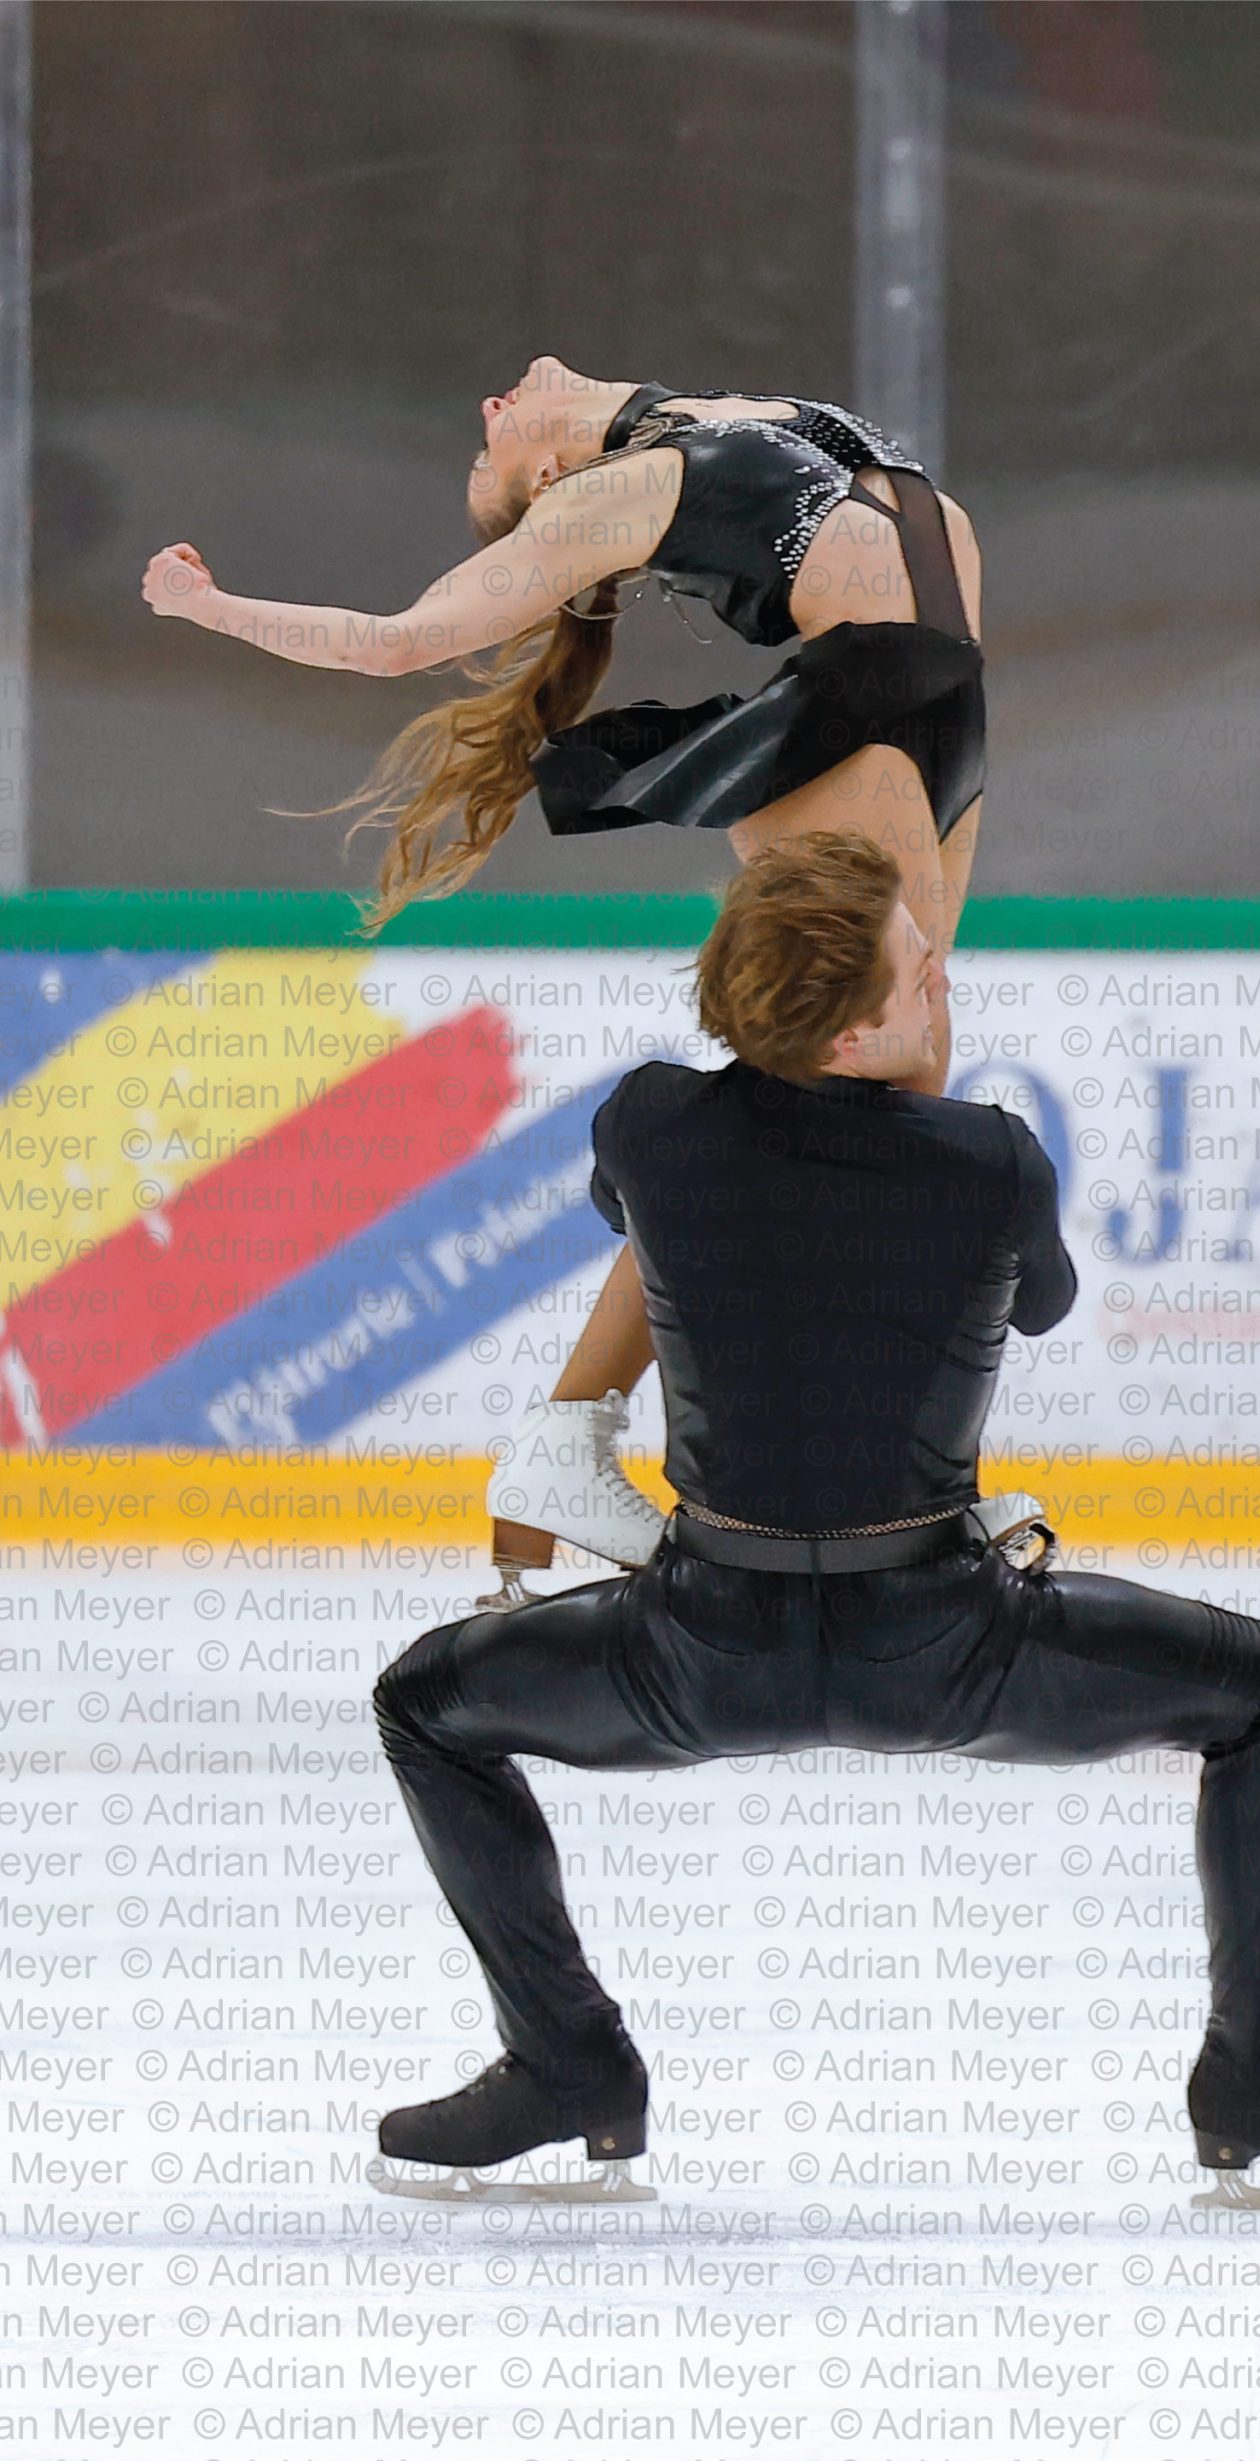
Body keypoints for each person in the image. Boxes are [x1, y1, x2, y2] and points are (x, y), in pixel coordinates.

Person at [367, 830, 1260, 2214]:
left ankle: (566, 2061)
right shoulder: (989, 1160)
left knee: (426, 1702)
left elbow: (647, 1213)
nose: (941, 978)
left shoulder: (647, 1122)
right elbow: (1043, 1302)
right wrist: (927, 1099)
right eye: (917, 970)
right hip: (950, 1644)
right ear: (849, 1037)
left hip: (702, 1647)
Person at [139, 356, 986, 1586]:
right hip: (857, 723)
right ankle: (618, 1442)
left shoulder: (693, 416)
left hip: (937, 708)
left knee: (893, 1111)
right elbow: (395, 644)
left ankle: (853, 1480)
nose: (486, 408)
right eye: (491, 456)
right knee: (854, 1121)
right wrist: (208, 610)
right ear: (546, 479)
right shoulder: (612, 494)